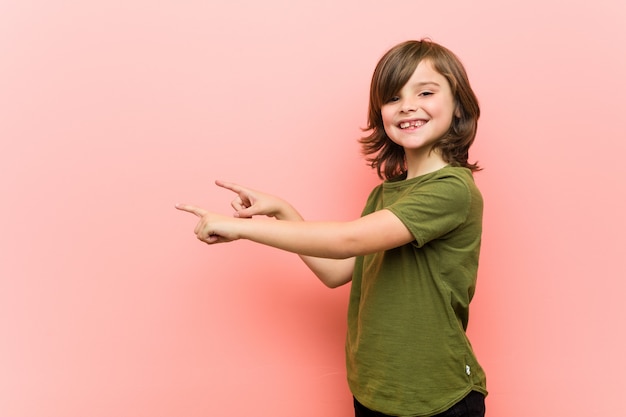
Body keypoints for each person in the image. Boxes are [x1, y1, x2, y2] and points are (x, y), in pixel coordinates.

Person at [176, 39, 487, 417]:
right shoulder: (384, 196)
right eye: (393, 97)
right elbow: (337, 270)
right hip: (375, 389)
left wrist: (239, 229)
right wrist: (283, 212)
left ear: (458, 105)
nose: (407, 105)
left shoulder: (452, 190)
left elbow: (345, 241)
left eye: (425, 91)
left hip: (437, 397)